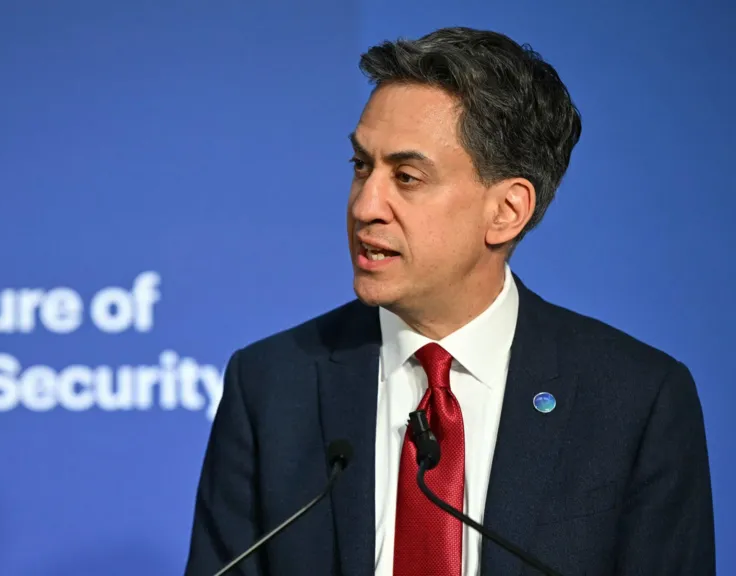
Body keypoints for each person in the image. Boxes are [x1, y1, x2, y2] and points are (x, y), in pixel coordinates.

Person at [183, 26, 715, 576]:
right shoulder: (272, 385)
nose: (366, 205)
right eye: (361, 166)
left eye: (407, 177)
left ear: (506, 210)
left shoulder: (635, 400)